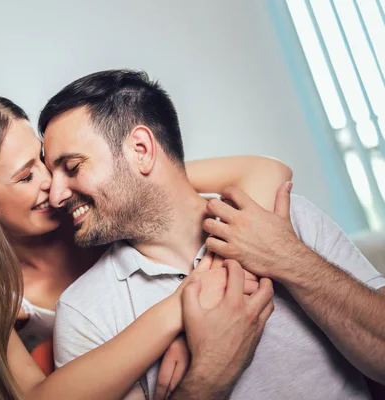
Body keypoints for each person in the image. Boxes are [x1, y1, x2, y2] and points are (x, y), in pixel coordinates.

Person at [0, 92, 289, 399]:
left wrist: (209, 293)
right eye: (27, 176)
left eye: (45, 160)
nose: (55, 186)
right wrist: (179, 312)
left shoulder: (92, 202)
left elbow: (266, 171)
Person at [42, 69, 385, 399]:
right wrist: (209, 374)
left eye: (72, 167)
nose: (55, 195)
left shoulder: (285, 214)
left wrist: (290, 259)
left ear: (140, 150)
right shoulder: (84, 313)